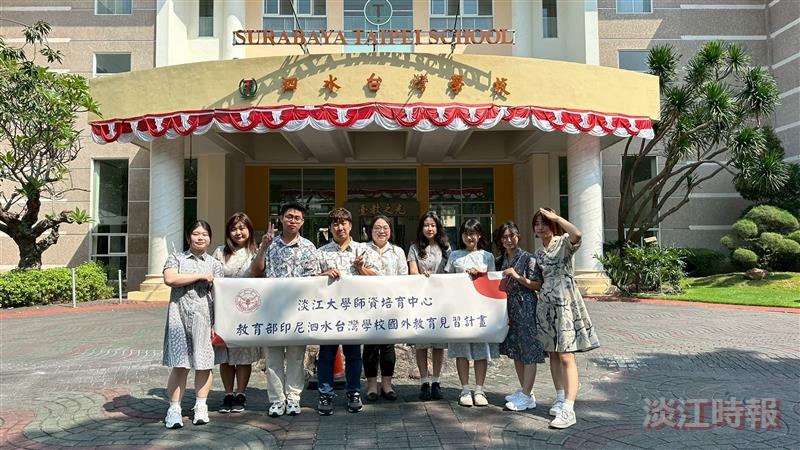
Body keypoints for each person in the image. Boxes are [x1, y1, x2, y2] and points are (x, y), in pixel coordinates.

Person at [251, 202, 321, 417]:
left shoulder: (308, 247)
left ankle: (293, 398)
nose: (293, 221)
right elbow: (256, 272)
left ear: (302, 222)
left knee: (296, 356)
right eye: (289, 216)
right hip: (272, 310)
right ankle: (276, 400)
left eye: (297, 218)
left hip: (297, 310)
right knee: (273, 357)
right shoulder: (269, 244)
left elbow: (313, 278)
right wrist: (263, 247)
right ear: (281, 218)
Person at [532, 207, 600, 429]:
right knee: (553, 352)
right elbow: (539, 282)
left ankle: (569, 408)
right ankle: (560, 397)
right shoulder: (538, 252)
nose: (541, 227)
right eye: (537, 224)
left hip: (565, 302)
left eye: (545, 222)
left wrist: (557, 217)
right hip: (546, 305)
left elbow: (577, 235)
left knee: (566, 354)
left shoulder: (563, 242)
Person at [316, 207, 379, 415]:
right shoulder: (321, 252)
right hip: (328, 313)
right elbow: (310, 280)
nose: (339, 227)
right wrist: (324, 274)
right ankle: (325, 394)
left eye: (343, 223)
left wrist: (361, 268)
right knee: (326, 355)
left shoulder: (363, 250)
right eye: (335, 223)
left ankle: (353, 392)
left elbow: (378, 279)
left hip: (354, 313)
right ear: (330, 228)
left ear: (350, 226)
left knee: (353, 355)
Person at [161, 220, 224, 429]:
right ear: (188, 237)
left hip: (205, 319)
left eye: (205, 234)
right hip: (178, 317)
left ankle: (201, 406)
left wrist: (218, 323)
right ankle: (174, 409)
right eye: (196, 233)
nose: (200, 237)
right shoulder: (176, 258)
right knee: (180, 364)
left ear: (210, 238)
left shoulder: (215, 264)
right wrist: (200, 276)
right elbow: (170, 279)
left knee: (204, 364)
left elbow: (220, 294)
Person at [211, 213, 262, 414]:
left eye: (242, 228)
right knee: (225, 353)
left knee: (243, 354)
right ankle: (227, 393)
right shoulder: (219, 252)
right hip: (223, 310)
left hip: (247, 311)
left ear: (249, 230)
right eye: (234, 229)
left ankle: (241, 393)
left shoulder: (256, 252)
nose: (238, 232)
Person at [493, 222, 545, 412]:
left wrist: (517, 276)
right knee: (516, 350)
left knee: (528, 349)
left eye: (512, 236)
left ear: (518, 236)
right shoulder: (499, 260)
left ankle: (526, 394)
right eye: (505, 237)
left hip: (525, 306)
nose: (509, 240)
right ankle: (525, 392)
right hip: (508, 308)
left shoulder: (528, 258)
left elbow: (537, 284)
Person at [445, 218, 496, 407]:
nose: (469, 237)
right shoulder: (454, 256)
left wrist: (480, 275)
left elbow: (493, 281)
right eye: (466, 234)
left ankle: (480, 389)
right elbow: (446, 281)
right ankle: (465, 389)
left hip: (481, 309)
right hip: (459, 309)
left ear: (479, 235)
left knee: (481, 350)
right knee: (462, 350)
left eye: (473, 233)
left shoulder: (487, 257)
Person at [363, 215, 408, 402]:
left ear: (390, 230)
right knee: (370, 345)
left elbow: (404, 277)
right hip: (368, 304)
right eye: (377, 228)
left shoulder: (398, 252)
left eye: (385, 228)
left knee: (388, 346)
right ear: (370, 230)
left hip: (391, 305)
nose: (381, 231)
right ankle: (372, 385)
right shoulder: (362, 249)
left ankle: (387, 385)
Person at [407, 211, 450, 401]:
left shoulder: (446, 248)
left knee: (439, 344)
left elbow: (450, 272)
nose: (429, 228)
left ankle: (436, 381)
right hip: (421, 301)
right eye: (426, 225)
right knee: (422, 343)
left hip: (440, 300)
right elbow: (412, 272)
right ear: (421, 228)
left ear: (438, 227)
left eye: (433, 225)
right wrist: (422, 277)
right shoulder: (414, 247)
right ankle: (424, 381)